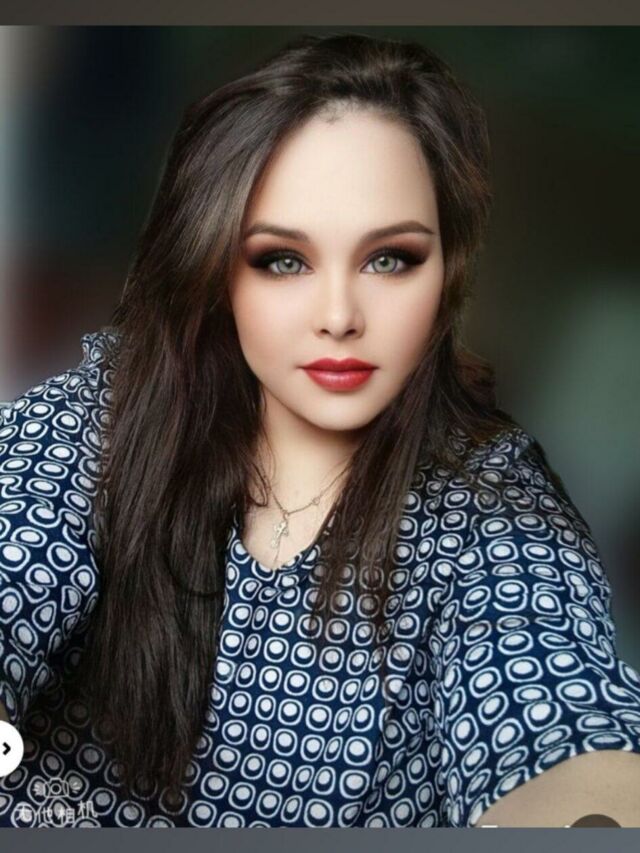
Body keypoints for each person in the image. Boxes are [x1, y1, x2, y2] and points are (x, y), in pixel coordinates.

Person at [1, 31, 639, 829]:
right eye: (283, 260)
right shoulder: (102, 416)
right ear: (215, 269)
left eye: (390, 259)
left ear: (448, 273)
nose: (339, 316)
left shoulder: (490, 510)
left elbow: (556, 714)